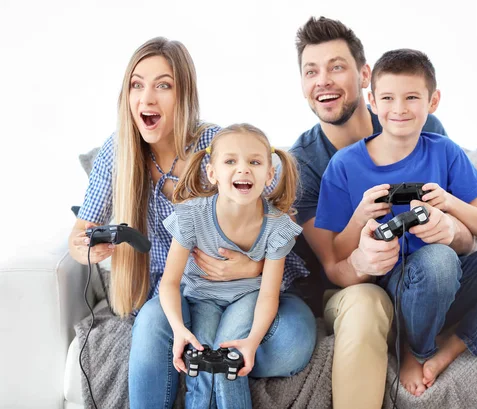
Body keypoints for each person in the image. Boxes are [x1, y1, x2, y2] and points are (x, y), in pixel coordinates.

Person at [290, 16, 477, 407]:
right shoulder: (316, 165)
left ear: (363, 76)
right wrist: (363, 246)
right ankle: (417, 347)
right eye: (311, 71)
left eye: (336, 66)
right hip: (368, 285)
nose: (324, 80)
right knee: (428, 268)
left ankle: (449, 339)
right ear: (376, 98)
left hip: (443, 272)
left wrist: (451, 224)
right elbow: (335, 265)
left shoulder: (429, 134)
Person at [68, 37, 316, 409]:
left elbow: (279, 194)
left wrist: (254, 265)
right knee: (153, 323)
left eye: (163, 85)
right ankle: (205, 361)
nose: (147, 98)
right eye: (137, 85)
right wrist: (88, 247)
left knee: (292, 341)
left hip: (253, 289)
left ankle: (213, 361)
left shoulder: (218, 145)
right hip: (178, 295)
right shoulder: (117, 151)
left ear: (183, 94)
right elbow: (79, 236)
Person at [159, 123, 314, 408]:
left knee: (229, 355)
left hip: (249, 297)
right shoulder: (191, 216)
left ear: (269, 175)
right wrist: (179, 328)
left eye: (254, 162)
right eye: (230, 161)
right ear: (212, 172)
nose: (243, 169)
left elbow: (269, 294)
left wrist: (253, 341)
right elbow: (169, 282)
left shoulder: (278, 227)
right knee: (201, 359)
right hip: (201, 298)